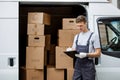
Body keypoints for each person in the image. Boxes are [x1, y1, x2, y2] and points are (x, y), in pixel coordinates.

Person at [72, 15, 101, 80]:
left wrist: (86, 54)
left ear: (86, 23)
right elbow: (74, 50)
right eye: (78, 26)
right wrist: (69, 51)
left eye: (81, 26)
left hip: (88, 67)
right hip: (78, 66)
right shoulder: (77, 36)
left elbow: (98, 53)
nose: (79, 28)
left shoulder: (94, 36)